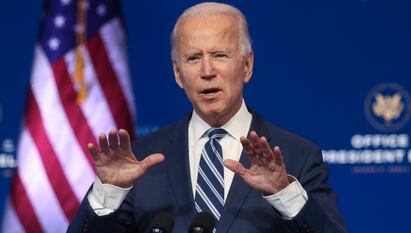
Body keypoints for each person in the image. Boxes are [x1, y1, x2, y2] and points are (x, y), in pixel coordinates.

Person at [68, 2, 347, 233]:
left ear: (247, 65)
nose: (207, 70)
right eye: (193, 58)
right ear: (178, 74)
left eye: (220, 55)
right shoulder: (141, 161)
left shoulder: (297, 156)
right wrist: (110, 192)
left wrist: (283, 193)